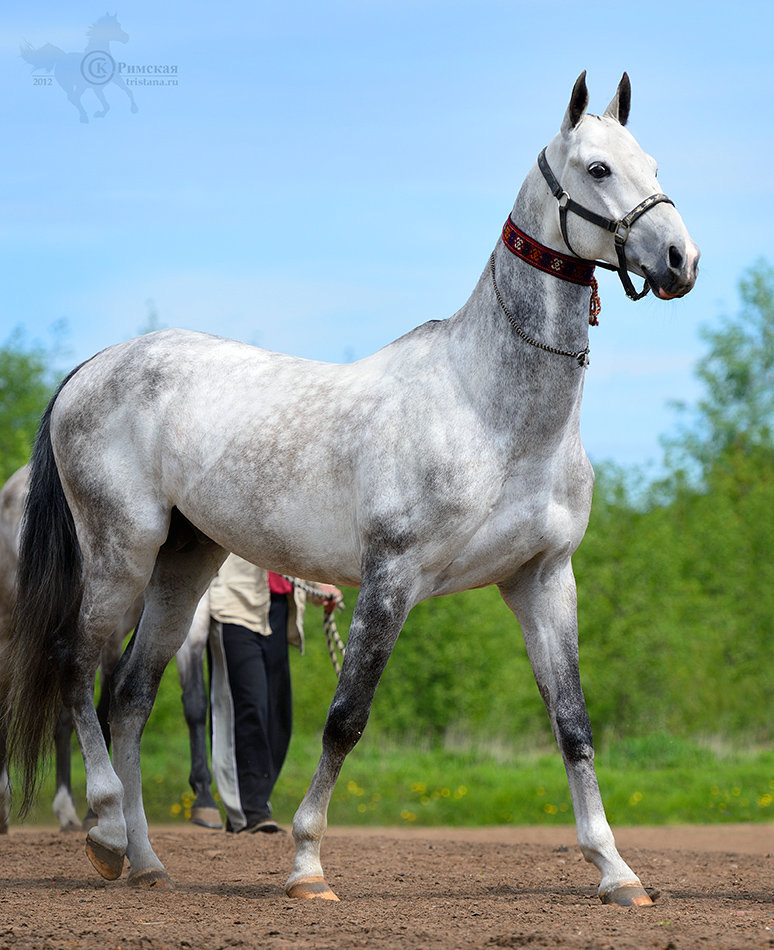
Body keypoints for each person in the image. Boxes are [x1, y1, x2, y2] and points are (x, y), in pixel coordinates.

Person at [208, 553, 341, 834]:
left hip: (279, 607)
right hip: (233, 606)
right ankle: (248, 810)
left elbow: (291, 545)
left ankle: (255, 803)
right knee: (248, 707)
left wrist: (322, 588)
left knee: (279, 718)